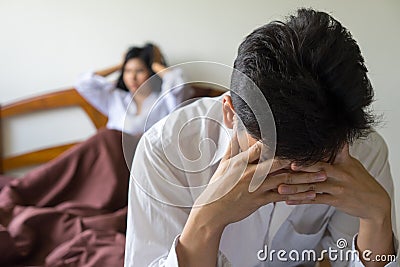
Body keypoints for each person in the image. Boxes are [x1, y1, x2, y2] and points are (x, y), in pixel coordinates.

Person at [124, 9, 398, 267]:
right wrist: (206, 223)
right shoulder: (163, 150)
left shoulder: (362, 150)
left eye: (315, 163)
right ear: (230, 114)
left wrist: (377, 217)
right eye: (272, 158)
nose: (292, 175)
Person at [75, 43, 193, 135]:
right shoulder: (115, 97)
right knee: (105, 136)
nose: (132, 77)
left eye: (139, 71)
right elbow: (83, 83)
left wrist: (155, 63)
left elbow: (179, 82)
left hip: (140, 158)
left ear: (151, 72)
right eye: (127, 71)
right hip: (112, 152)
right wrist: (120, 65)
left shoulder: (165, 99)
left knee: (104, 136)